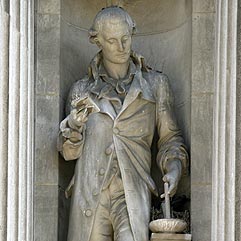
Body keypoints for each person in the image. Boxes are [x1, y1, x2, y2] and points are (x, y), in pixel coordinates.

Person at [58, 6, 188, 241]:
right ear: (97, 41)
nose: (121, 47)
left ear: (132, 34)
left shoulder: (156, 85)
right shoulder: (81, 90)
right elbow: (68, 153)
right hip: (90, 198)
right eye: (112, 40)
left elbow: (170, 139)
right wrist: (74, 128)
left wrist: (174, 167)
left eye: (125, 38)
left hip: (131, 195)